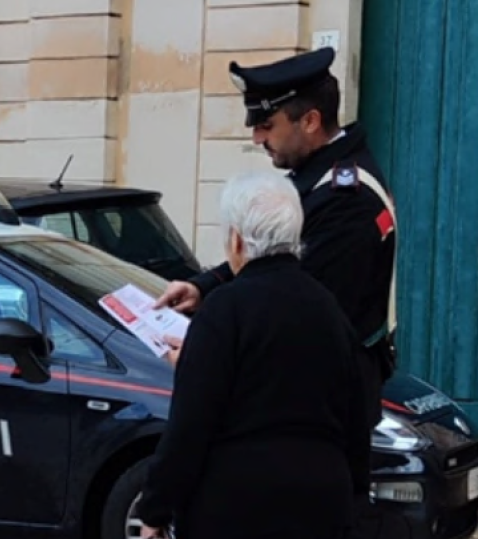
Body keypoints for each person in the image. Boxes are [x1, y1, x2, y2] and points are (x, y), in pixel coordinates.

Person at [157, 47, 397, 430]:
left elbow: (292, 311)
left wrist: (209, 357)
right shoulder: (319, 181)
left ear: (310, 121)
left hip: (321, 402)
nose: (257, 138)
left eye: (267, 125)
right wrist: (203, 287)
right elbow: (271, 260)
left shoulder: (344, 199)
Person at [136, 171, 372, 539]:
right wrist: (354, 496)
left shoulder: (224, 308)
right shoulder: (329, 308)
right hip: (321, 499)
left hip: (236, 502)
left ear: (236, 240)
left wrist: (155, 509)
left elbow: (190, 426)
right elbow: (357, 414)